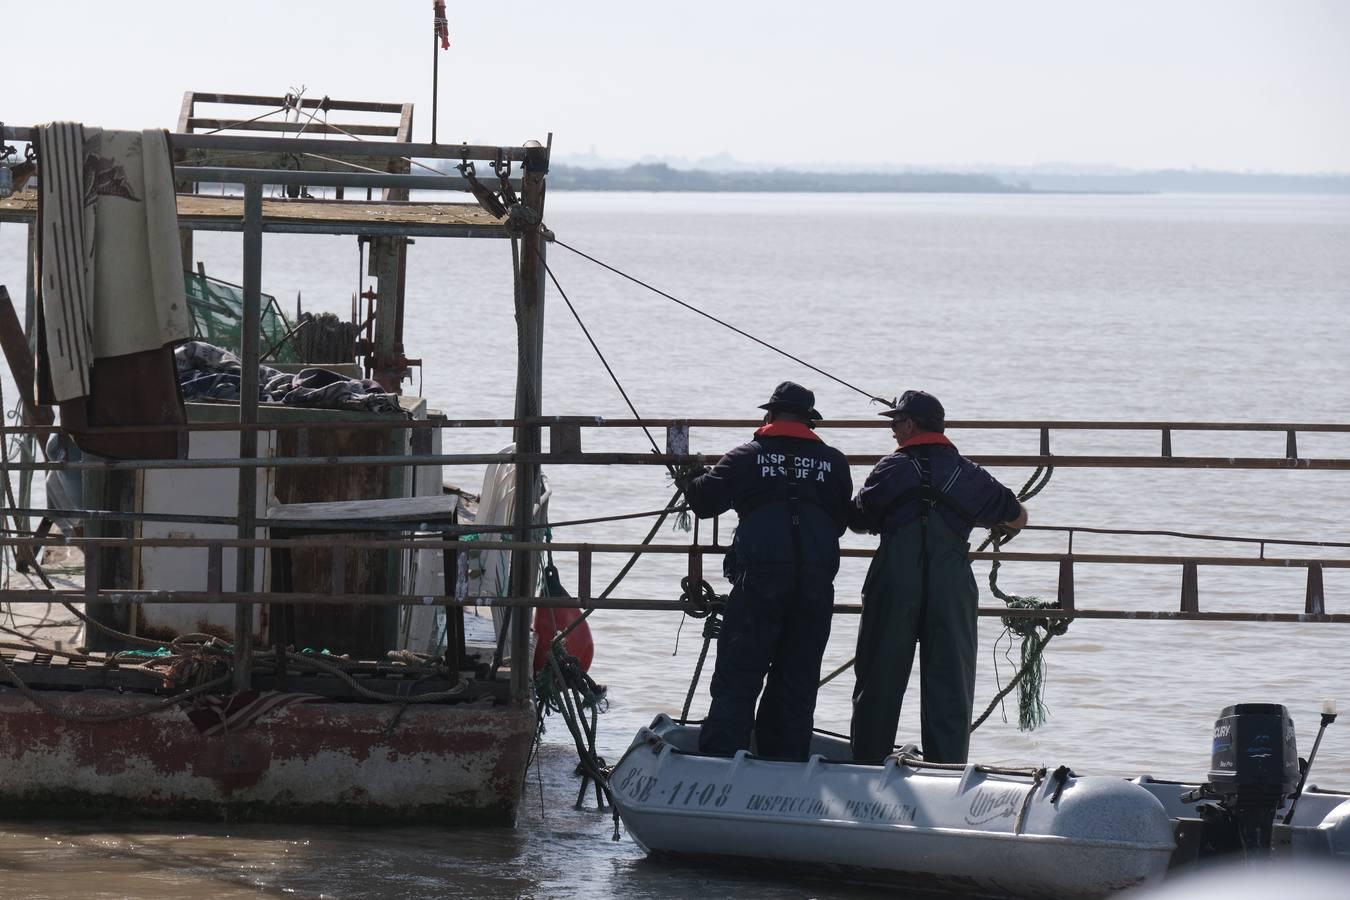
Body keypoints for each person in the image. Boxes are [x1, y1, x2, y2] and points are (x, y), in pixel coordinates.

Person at [848, 390, 1027, 764]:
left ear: (911, 424)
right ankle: (946, 770)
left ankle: (866, 765)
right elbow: (1017, 516)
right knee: (949, 682)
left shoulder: (889, 469)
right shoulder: (969, 472)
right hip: (951, 587)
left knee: (878, 677)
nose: (893, 432)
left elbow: (857, 520)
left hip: (894, 584)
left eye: (895, 423)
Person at [680, 381, 853, 760]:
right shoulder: (835, 462)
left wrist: (689, 476)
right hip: (815, 584)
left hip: (759, 582)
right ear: (810, 422)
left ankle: (721, 762)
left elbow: (704, 502)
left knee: (738, 676)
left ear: (769, 416)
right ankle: (784, 766)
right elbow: (841, 521)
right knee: (797, 681)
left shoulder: (745, 456)